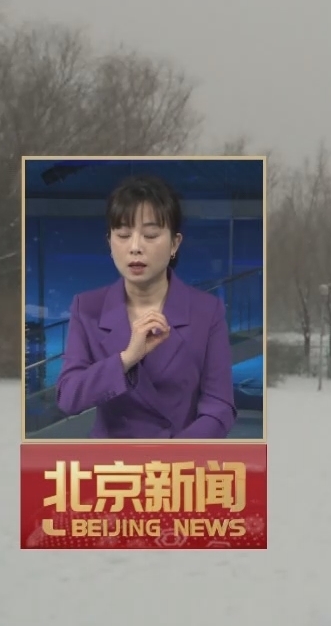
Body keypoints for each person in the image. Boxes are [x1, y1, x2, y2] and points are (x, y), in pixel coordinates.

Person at [53, 173, 238, 439]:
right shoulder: (87, 308)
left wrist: (172, 457)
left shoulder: (206, 312)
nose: (135, 247)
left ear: (175, 244)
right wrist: (127, 358)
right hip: (111, 470)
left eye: (150, 235)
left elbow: (220, 407)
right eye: (123, 235)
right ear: (109, 243)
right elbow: (68, 397)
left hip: (176, 468)